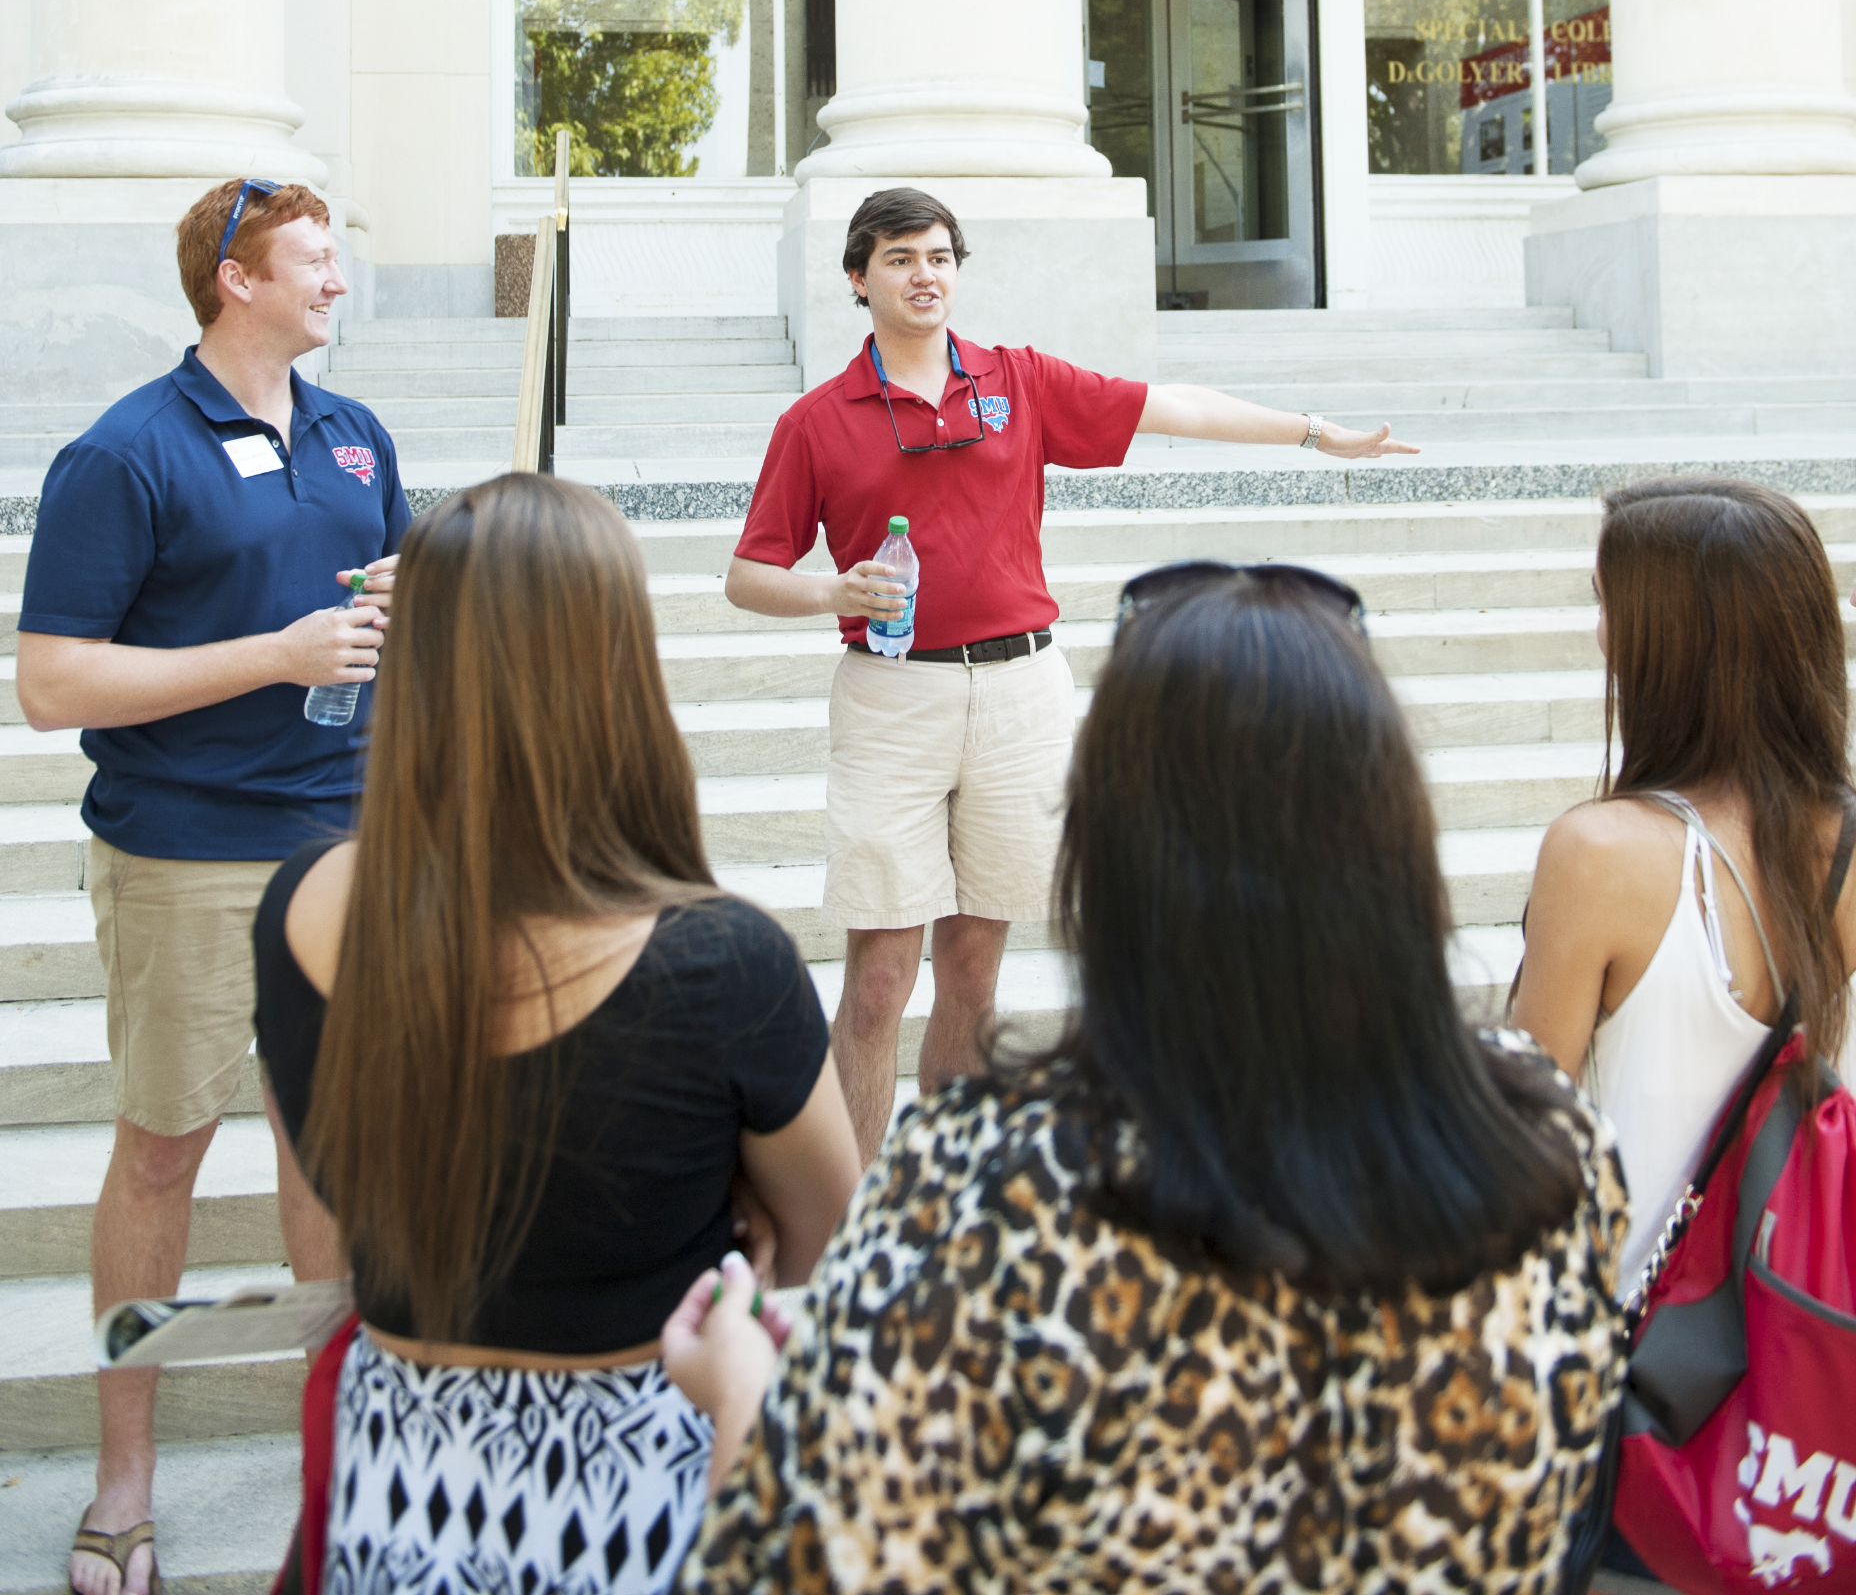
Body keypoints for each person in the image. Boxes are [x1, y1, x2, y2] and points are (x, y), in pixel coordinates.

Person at [662, 561, 1630, 1592]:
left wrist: (746, 1390)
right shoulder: (1552, 1147)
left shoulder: (975, 1184)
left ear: (1105, 847)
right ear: (1391, 835)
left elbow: (792, 1566)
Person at [255, 474, 864, 1595]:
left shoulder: (298, 905)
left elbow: (324, 1170)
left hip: (390, 1466)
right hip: (637, 1472)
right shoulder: (722, 962)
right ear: (616, 662)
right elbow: (824, 1236)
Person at [727, 186, 1420, 1159]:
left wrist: (1312, 431)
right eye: (898, 258)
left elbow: (1169, 405)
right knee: (878, 976)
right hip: (891, 697)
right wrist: (831, 591)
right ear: (857, 276)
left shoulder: (1017, 377)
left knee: (973, 967)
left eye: (938, 256)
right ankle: (844, 1218)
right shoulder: (816, 419)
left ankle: (948, 1188)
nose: (923, 274)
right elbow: (747, 575)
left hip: (1019, 694)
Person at [15, 179, 406, 1595]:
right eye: (315, 261)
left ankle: (337, 1463)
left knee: (326, 1155)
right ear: (234, 281)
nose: (339, 282)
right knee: (165, 1149)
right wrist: (274, 657)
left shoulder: (357, 438)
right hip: (180, 851)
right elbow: (52, 683)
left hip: (344, 847)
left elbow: (384, 611)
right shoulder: (123, 454)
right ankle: (127, 1477)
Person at [1512, 476, 1856, 1294]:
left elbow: (1520, 1140)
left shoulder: (1599, 853)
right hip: (1793, 1335)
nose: (1600, 634)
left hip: (1634, 1361)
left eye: (1607, 605)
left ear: (1664, 639)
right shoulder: (1842, 842)